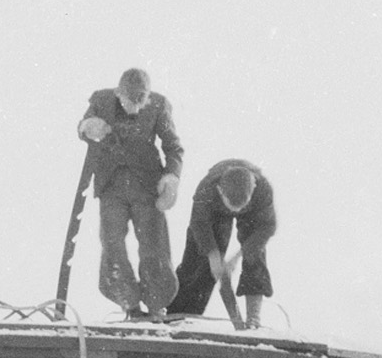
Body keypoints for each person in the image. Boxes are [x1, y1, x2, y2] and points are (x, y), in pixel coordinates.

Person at [76, 68, 185, 319]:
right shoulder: (101, 101)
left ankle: (157, 306)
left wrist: (171, 178)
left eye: (141, 103)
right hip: (111, 186)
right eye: (129, 102)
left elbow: (173, 147)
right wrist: (87, 126)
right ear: (118, 93)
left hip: (147, 187)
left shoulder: (159, 105)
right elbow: (82, 129)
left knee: (153, 245)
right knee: (112, 244)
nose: (135, 109)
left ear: (147, 97)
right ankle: (131, 307)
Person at [170, 159, 277, 329]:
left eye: (241, 207)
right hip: (214, 212)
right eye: (232, 206)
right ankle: (180, 313)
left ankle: (253, 319)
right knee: (198, 259)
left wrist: (236, 258)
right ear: (220, 190)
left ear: (254, 188)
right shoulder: (206, 189)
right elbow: (199, 224)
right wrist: (213, 255)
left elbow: (267, 226)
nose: (236, 212)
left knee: (255, 253)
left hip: (253, 213)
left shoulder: (263, 189)